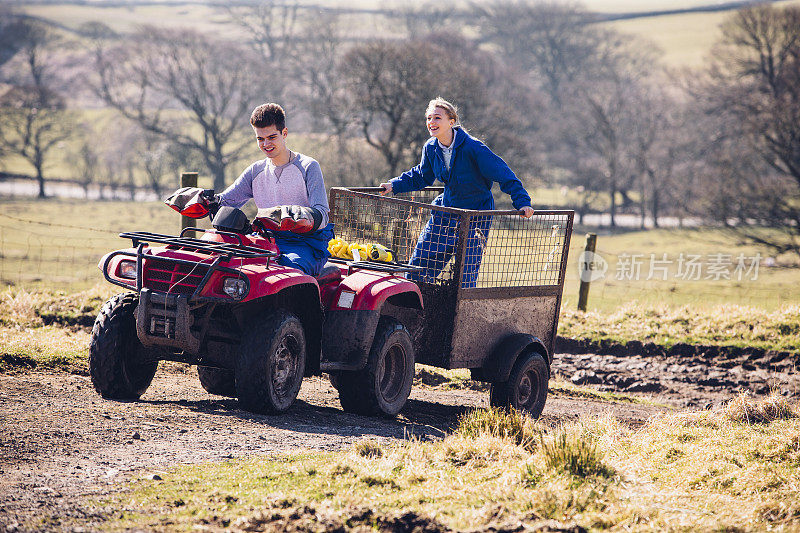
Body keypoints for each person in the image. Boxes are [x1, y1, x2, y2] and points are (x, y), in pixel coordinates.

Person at [379, 97, 534, 287]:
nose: (431, 123)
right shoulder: (430, 148)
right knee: (420, 264)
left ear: (451, 121)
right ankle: (413, 305)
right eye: (429, 118)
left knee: (465, 272)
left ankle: (460, 312)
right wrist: (394, 185)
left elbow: (504, 174)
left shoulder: (473, 148)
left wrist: (523, 202)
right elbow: (421, 176)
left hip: (475, 216)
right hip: (446, 212)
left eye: (437, 118)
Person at [217, 103, 334, 277]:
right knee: (225, 264)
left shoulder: (308, 166)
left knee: (286, 274)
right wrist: (204, 198)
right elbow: (225, 200)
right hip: (266, 241)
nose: (266, 144)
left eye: (271, 137)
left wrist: (302, 216)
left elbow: (323, 214)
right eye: (260, 139)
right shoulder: (255, 171)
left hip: (305, 244)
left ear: (284, 133)